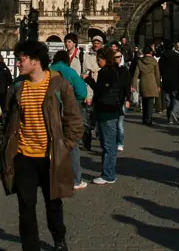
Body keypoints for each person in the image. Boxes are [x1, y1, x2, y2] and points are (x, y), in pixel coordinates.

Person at [0, 41, 83, 251]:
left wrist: (65, 147)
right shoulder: (18, 86)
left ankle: (59, 239)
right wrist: (9, 146)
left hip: (50, 155)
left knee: (53, 204)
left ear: (35, 61)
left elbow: (74, 121)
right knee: (25, 207)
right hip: (24, 156)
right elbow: (9, 120)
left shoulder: (59, 85)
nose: (18, 63)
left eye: (22, 59)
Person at [85, 47, 129, 185]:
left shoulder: (107, 72)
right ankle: (108, 172)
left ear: (105, 59)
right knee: (108, 143)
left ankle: (108, 174)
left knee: (108, 145)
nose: (97, 61)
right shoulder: (115, 70)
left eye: (99, 59)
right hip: (112, 109)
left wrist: (90, 81)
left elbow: (101, 91)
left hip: (107, 110)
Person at [51, 50, 89, 190]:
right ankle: (75, 179)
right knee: (71, 144)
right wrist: (74, 101)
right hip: (67, 111)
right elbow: (82, 92)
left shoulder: (48, 70)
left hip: (49, 110)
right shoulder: (70, 71)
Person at [132, 45, 161, 126]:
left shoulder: (140, 61)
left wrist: (133, 85)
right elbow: (157, 74)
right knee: (150, 102)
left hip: (143, 82)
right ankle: (149, 119)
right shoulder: (154, 61)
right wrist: (158, 85)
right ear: (151, 52)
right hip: (152, 83)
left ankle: (144, 118)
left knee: (144, 101)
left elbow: (136, 74)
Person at [112, 46, 131, 151]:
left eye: (120, 56)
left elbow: (127, 86)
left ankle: (120, 142)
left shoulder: (124, 70)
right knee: (113, 123)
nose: (118, 58)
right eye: (116, 57)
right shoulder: (110, 70)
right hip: (112, 100)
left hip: (122, 99)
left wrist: (128, 99)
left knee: (119, 124)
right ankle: (113, 142)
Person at [159, 40, 179, 124]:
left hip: (166, 80)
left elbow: (160, 70)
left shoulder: (162, 57)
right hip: (175, 80)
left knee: (168, 100)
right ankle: (174, 112)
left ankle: (169, 118)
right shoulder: (176, 56)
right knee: (176, 99)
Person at [0, 53, 14, 119]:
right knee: (1, 105)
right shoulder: (5, 68)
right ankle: (0, 118)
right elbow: (10, 80)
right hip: (3, 91)